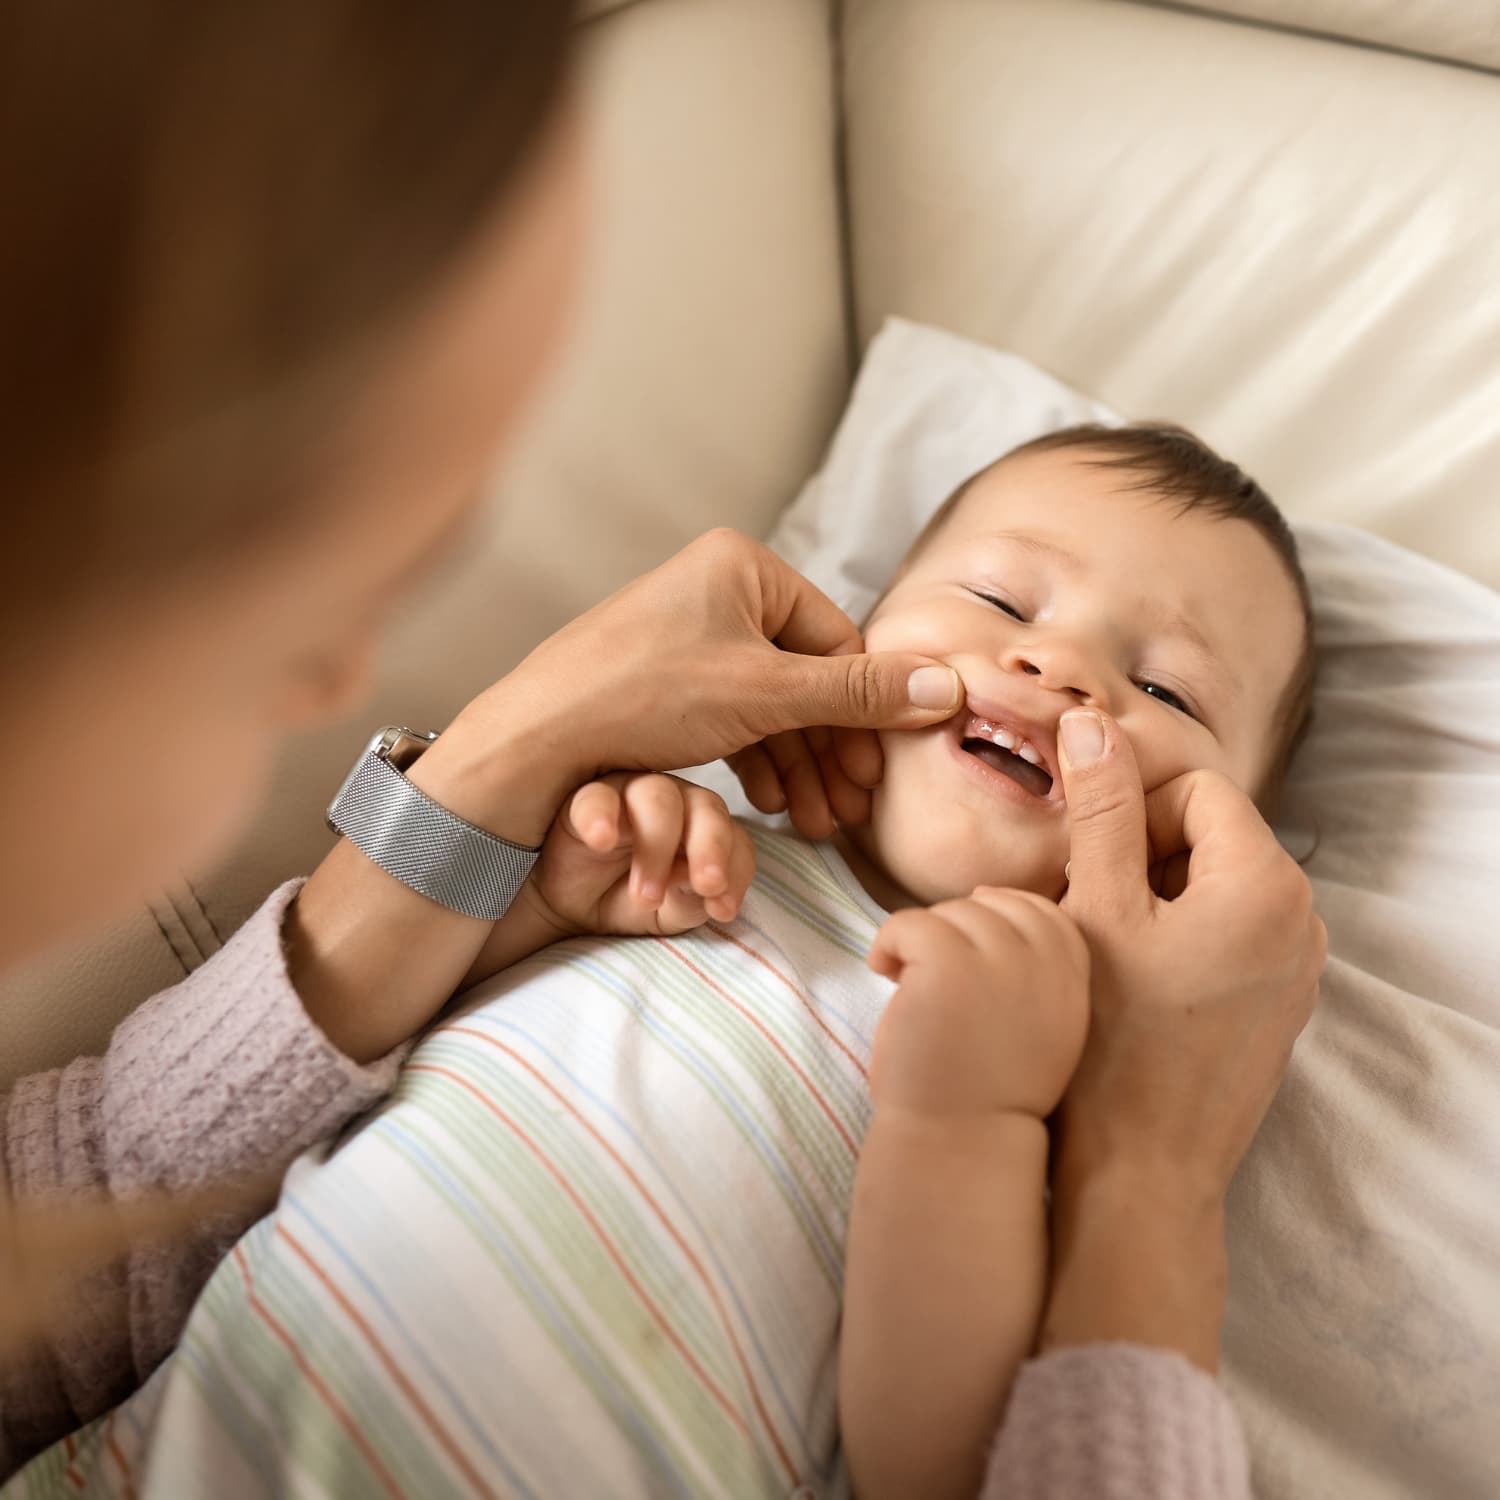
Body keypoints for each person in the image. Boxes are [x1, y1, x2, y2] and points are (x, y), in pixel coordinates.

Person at [0, 2, 1325, 1495]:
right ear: (850, 641)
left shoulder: (1035, 1051)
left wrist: (980, 1118)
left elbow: (928, 1458)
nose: (1060, 665)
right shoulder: (696, 850)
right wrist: (523, 907)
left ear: (1193, 846)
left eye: (1167, 694)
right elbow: (344, 1109)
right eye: (1005, 599)